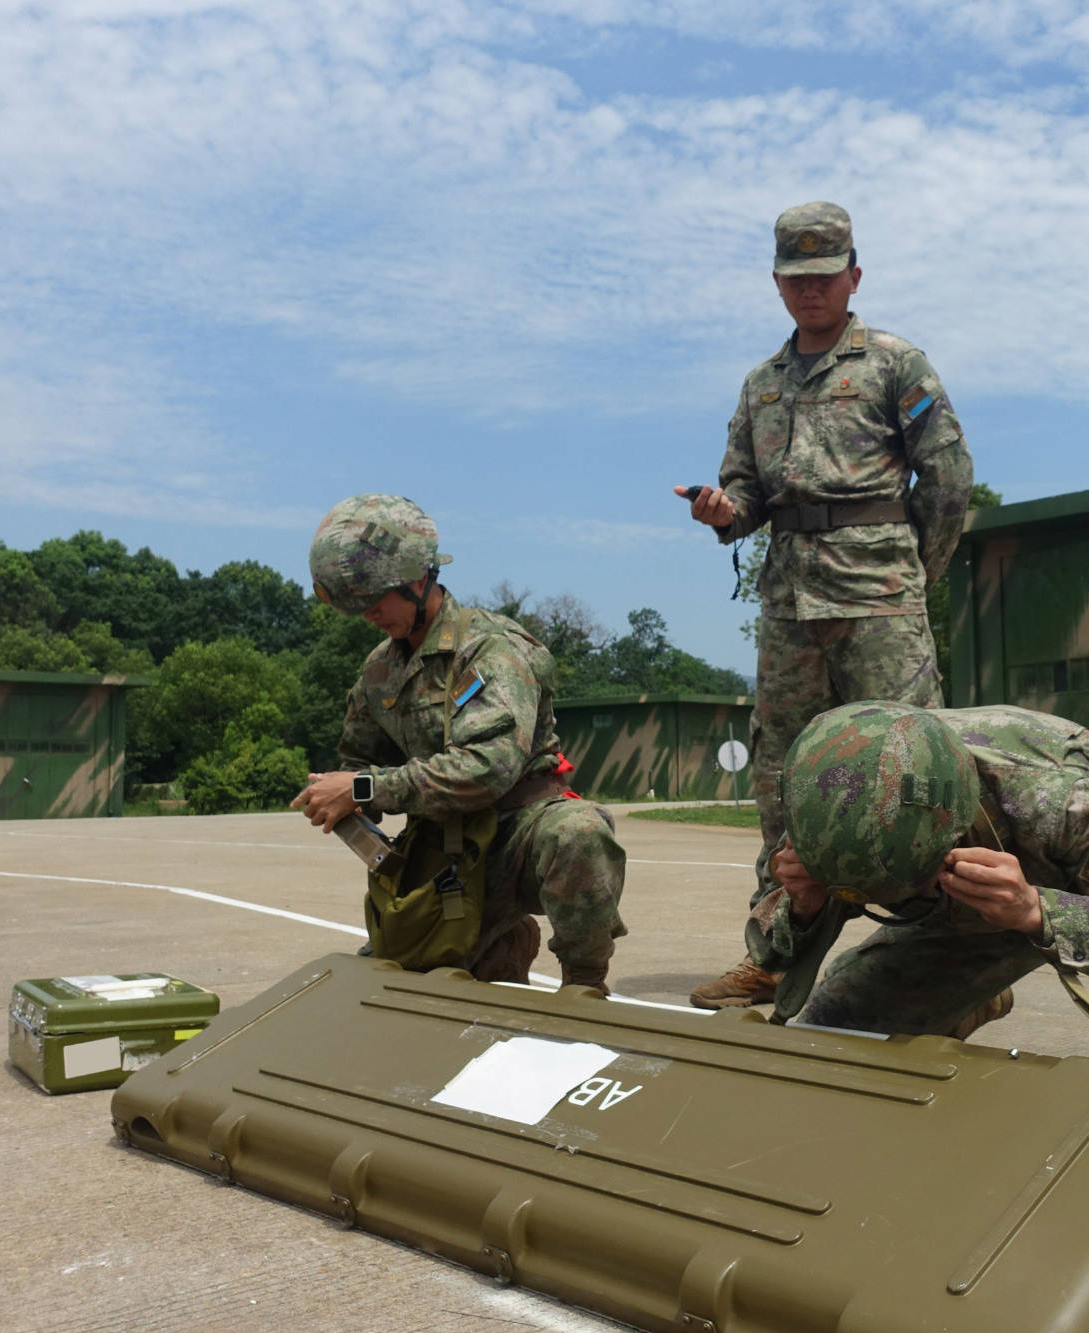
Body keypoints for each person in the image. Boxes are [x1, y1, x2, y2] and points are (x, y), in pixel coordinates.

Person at [677, 201, 974, 1010]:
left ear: (854, 274)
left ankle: (951, 956)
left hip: (879, 604)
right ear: (777, 284)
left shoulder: (894, 364)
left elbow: (948, 481)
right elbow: (744, 488)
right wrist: (723, 512)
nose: (811, 291)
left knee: (913, 773)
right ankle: (771, 955)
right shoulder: (761, 385)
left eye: (825, 275)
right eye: (796, 279)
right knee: (781, 779)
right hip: (789, 608)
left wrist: (909, 572)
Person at [745, 700, 1089, 1058]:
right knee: (834, 1037)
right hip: (970, 912)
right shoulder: (830, 800)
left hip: (1076, 884)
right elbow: (768, 955)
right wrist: (805, 905)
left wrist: (1036, 910)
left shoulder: (1056, 803)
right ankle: (968, 998)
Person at [292, 494, 626, 991]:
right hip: (444, 849)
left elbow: (486, 768)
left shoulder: (492, 648)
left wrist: (362, 789)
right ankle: (494, 947)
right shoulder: (380, 670)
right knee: (393, 991)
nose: (368, 616)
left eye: (373, 602)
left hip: (520, 834)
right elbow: (361, 761)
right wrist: (340, 797)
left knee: (579, 832)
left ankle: (585, 983)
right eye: (356, 607)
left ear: (414, 579)